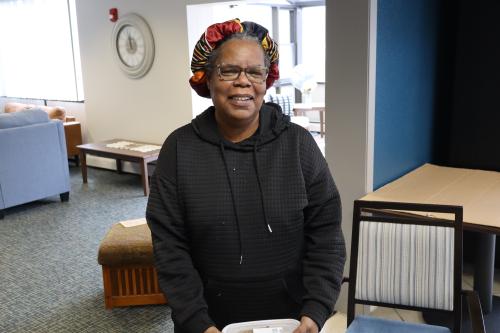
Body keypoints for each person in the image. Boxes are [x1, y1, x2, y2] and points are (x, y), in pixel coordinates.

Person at [146, 18, 345, 333]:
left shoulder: (298, 145)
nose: (243, 82)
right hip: (207, 320)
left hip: (289, 321)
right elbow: (170, 248)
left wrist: (316, 309)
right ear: (207, 78)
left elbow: (326, 235)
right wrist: (197, 322)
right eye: (229, 70)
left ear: (267, 81)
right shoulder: (179, 149)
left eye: (255, 72)